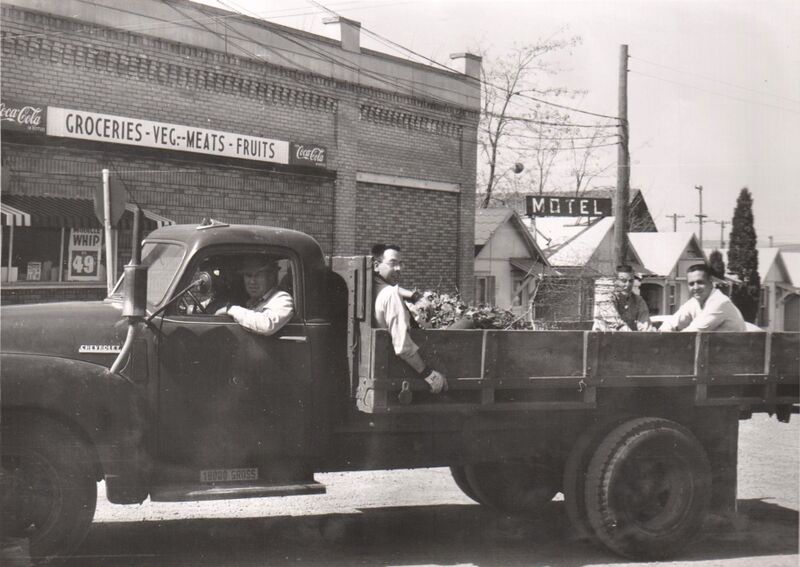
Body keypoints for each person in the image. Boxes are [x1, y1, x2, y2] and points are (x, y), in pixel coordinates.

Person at [371, 243, 447, 394]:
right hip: (412, 363)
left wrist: (414, 296)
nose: (399, 269)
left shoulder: (370, 287)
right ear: (376, 265)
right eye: (393, 263)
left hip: (385, 360)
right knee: (470, 322)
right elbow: (403, 347)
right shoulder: (390, 294)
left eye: (401, 264)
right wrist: (429, 375)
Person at [215, 254, 294, 336]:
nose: (252, 281)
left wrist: (231, 309)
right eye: (248, 275)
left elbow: (267, 325)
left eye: (258, 275)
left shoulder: (281, 298)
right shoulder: (252, 302)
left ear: (270, 276)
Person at [660, 263, 746, 332]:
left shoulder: (719, 302)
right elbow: (670, 323)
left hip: (733, 351)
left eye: (700, 282)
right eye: (691, 284)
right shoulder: (695, 302)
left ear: (711, 280)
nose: (696, 288)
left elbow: (692, 333)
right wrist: (664, 333)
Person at [593, 265, 654, 331]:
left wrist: (648, 335)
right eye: (623, 281)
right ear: (615, 281)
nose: (628, 285)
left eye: (631, 281)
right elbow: (616, 324)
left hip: (627, 338)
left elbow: (645, 324)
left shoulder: (638, 301)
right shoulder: (605, 298)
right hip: (603, 338)